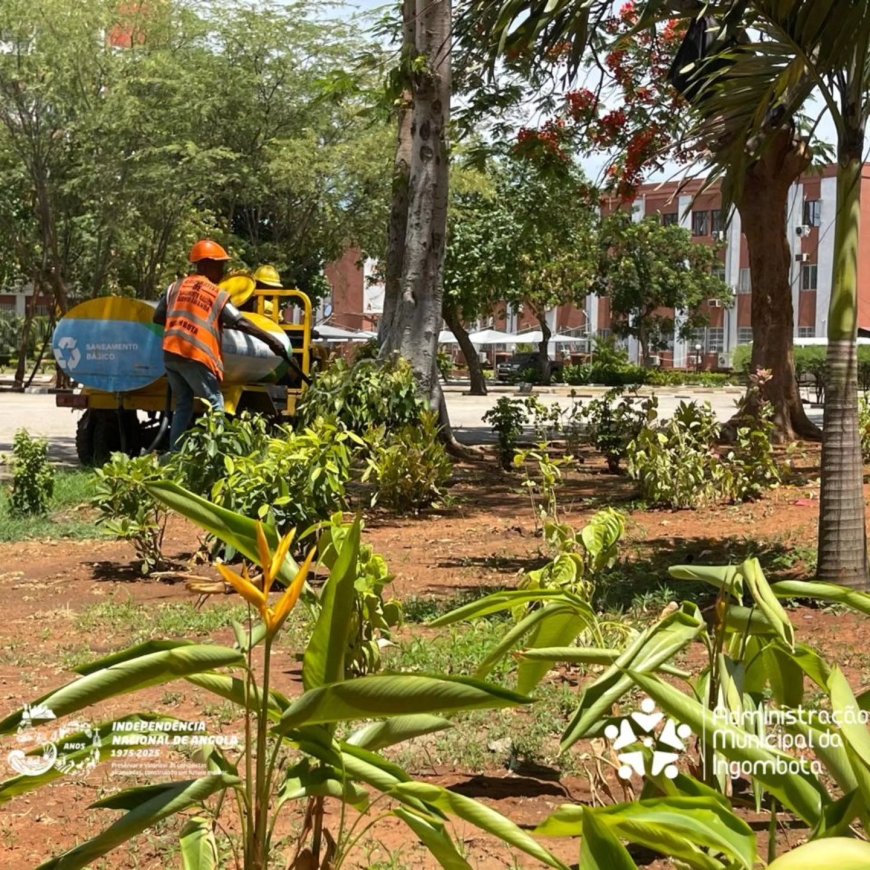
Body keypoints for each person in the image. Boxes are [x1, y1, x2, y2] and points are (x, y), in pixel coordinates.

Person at [153, 239, 290, 451]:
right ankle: (213, 455)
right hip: (196, 355)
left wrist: (182, 323)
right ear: (208, 264)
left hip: (171, 355)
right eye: (220, 266)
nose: (222, 271)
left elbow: (158, 316)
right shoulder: (214, 293)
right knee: (216, 404)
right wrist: (271, 341)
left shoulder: (175, 287)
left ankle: (175, 454)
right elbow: (240, 321)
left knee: (183, 404)